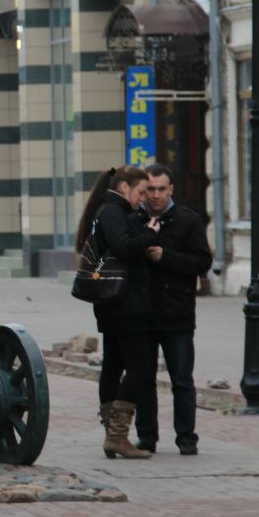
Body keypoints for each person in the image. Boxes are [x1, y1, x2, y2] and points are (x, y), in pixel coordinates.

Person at [74, 165, 160, 459]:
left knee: (113, 364)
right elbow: (124, 247)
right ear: (124, 187)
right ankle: (117, 436)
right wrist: (149, 235)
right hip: (125, 304)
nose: (144, 198)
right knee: (139, 368)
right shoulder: (112, 212)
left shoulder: (112, 211)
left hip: (114, 302)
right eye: (141, 192)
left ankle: (113, 435)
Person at [135, 163, 213, 456]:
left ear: (171, 190)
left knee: (181, 379)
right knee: (143, 379)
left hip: (177, 313)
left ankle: (186, 438)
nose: (155, 196)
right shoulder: (134, 219)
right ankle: (146, 437)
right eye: (150, 190)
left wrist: (165, 256)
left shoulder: (187, 221)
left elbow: (202, 263)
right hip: (142, 312)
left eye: (161, 189)